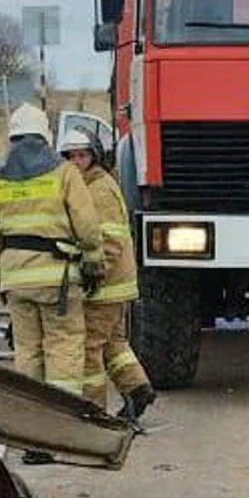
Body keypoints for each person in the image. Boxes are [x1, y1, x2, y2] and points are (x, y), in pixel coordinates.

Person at [0, 104, 103, 397]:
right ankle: (63, 419)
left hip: (16, 280)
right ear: (45, 136)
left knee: (27, 351)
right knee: (64, 347)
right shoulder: (63, 173)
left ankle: (32, 416)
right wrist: (93, 263)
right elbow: (87, 225)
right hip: (56, 280)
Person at [59, 126, 156, 420]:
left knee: (89, 346)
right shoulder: (91, 184)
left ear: (95, 156)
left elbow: (110, 240)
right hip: (115, 285)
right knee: (113, 342)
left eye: (82, 155)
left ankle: (93, 412)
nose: (76, 162)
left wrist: (94, 275)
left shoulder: (97, 189)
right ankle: (138, 389)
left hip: (105, 286)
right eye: (71, 156)